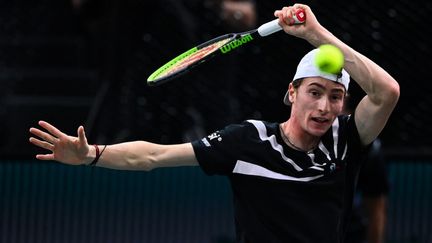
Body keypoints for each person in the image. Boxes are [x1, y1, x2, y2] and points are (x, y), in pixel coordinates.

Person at [29, 3, 400, 243]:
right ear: (292, 93)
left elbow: (387, 91)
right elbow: (154, 156)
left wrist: (314, 35)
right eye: (314, 92)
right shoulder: (249, 141)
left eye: (335, 97)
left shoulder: (346, 140)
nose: (324, 106)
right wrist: (92, 154)